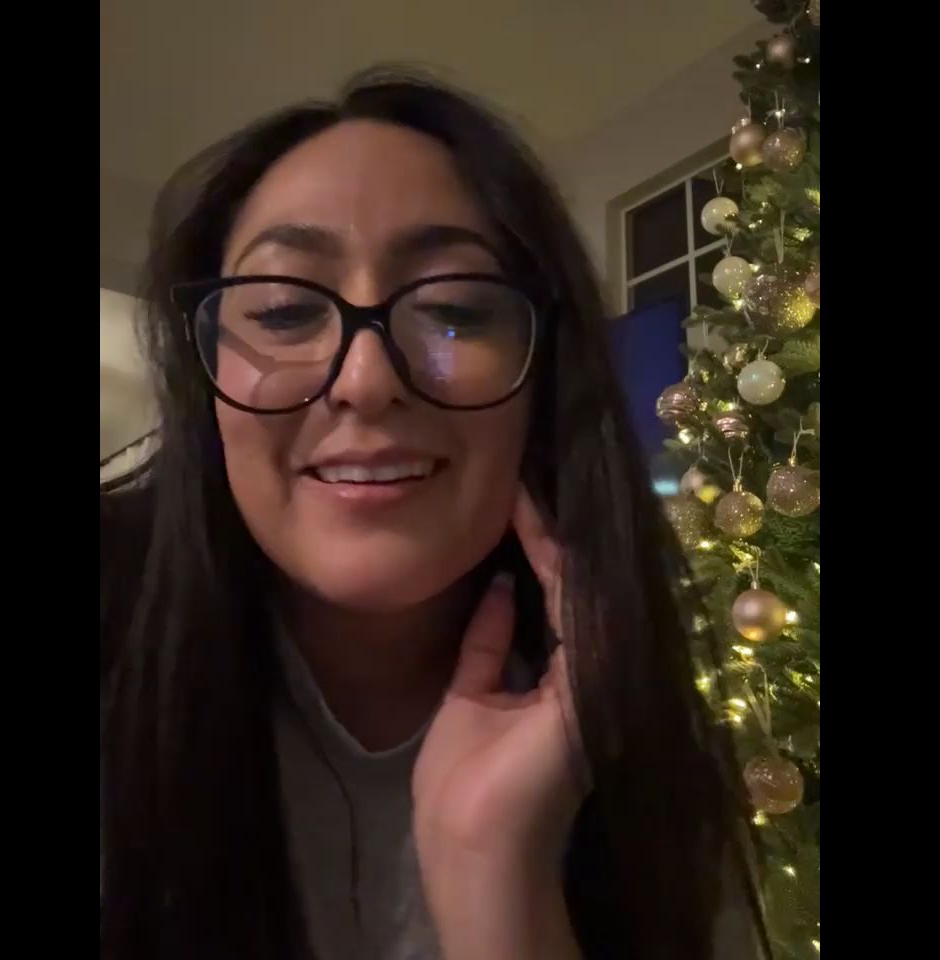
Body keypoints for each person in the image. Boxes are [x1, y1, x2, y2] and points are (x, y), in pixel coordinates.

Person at [100, 68, 766, 960]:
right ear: (205, 380)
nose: (366, 379)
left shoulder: (645, 746)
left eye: (453, 310)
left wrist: (498, 879)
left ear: (543, 379)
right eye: (287, 311)